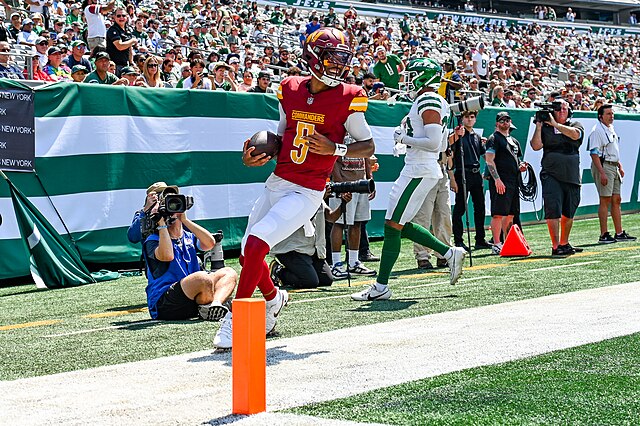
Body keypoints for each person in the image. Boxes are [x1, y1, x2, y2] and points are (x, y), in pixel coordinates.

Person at [213, 28, 375, 349]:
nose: (338, 66)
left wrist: (335, 149)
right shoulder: (290, 88)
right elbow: (282, 135)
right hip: (277, 181)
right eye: (331, 58)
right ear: (314, 56)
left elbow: (368, 146)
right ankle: (273, 300)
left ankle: (239, 319)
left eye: (342, 60)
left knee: (258, 244)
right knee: (248, 256)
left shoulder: (348, 96)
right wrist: (260, 155)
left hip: (307, 190)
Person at [351, 58, 466, 302]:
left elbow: (435, 143)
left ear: (424, 77)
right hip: (419, 167)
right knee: (396, 223)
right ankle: (448, 252)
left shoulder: (429, 99)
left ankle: (381, 286)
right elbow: (443, 143)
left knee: (393, 224)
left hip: (419, 169)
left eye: (413, 74)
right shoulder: (436, 101)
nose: (408, 79)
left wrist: (404, 138)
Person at [142, 189, 238, 323]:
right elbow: (168, 256)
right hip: (165, 303)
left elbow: (210, 243)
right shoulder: (153, 240)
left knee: (229, 273)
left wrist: (185, 220)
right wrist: (162, 224)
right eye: (170, 205)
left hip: (194, 296)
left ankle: (214, 304)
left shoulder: (188, 236)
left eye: (176, 204)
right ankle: (207, 306)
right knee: (202, 277)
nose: (173, 209)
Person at [530, 99, 585, 256]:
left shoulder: (575, 125)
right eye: (558, 109)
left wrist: (555, 124)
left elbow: (575, 136)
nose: (562, 111)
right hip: (551, 173)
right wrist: (539, 126)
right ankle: (555, 246)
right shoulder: (546, 128)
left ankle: (564, 242)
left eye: (564, 109)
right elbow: (535, 145)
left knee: (569, 211)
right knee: (553, 209)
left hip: (571, 174)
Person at [269, 193, 343, 289]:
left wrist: (344, 203)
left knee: (326, 280)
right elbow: (305, 218)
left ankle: (294, 270)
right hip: (292, 249)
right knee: (310, 282)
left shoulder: (316, 197)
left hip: (312, 250)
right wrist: (319, 199)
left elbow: (331, 217)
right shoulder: (295, 197)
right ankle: (278, 271)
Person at [329, 135, 377, 279]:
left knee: (357, 223)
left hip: (360, 182)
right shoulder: (337, 128)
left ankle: (353, 262)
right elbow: (331, 159)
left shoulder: (361, 131)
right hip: (344, 182)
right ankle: (336, 264)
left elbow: (366, 156)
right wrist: (340, 184)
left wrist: (369, 179)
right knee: (338, 223)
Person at [587, 104, 636, 244]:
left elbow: (612, 149)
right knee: (605, 199)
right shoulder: (597, 130)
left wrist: (619, 165)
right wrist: (601, 172)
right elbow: (594, 153)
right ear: (600, 116)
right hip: (604, 165)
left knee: (616, 199)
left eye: (612, 113)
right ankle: (603, 234)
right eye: (608, 114)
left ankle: (619, 232)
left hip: (613, 166)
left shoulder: (610, 128)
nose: (611, 116)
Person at [485, 112, 527, 254]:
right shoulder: (494, 139)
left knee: (510, 214)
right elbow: (489, 160)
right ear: (496, 123)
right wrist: (497, 179)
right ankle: (496, 243)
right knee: (498, 213)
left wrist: (521, 166)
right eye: (502, 120)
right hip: (501, 180)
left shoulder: (514, 141)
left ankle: (509, 240)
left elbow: (517, 158)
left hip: (513, 180)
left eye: (507, 120)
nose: (505, 123)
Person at [449, 111, 490, 251]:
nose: (469, 119)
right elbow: (448, 149)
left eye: (472, 117)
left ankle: (480, 239)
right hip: (462, 173)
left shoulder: (476, 137)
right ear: (462, 119)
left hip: (476, 174)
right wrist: (452, 179)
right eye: (467, 117)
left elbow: (484, 155)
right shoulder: (458, 135)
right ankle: (458, 240)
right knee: (460, 208)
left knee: (480, 207)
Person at [106, 6, 137, 76]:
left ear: (127, 17)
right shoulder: (113, 30)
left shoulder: (128, 30)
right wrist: (132, 41)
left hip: (125, 65)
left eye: (123, 15)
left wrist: (131, 62)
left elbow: (130, 48)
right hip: (114, 66)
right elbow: (120, 46)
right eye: (118, 16)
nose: (121, 18)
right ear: (114, 17)